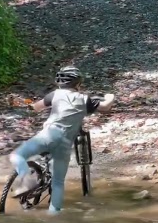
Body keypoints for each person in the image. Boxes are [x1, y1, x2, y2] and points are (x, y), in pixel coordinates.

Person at [9, 65, 115, 214]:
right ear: (78, 84)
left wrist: (29, 106)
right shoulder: (85, 100)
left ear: (59, 82)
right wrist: (111, 96)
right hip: (64, 144)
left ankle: (26, 179)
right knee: (58, 182)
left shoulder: (55, 95)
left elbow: (37, 107)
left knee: (16, 155)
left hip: (48, 136)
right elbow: (105, 107)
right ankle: (54, 217)